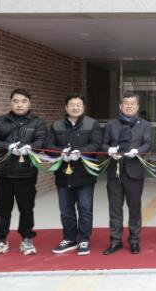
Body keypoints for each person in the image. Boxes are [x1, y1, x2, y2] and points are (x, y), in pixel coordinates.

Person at [0, 88, 46, 258]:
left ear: (29, 103)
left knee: (26, 209)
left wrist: (30, 148)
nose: (19, 104)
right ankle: (0, 240)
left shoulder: (37, 122)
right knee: (2, 209)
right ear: (11, 103)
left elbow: (42, 140)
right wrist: (7, 146)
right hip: (4, 174)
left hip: (27, 174)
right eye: (16, 101)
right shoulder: (0, 121)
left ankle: (27, 239)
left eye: (24, 101)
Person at [44, 93, 102, 256]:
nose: (75, 107)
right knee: (66, 210)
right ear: (66, 107)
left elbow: (96, 144)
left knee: (85, 209)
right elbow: (47, 145)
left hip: (85, 173)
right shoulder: (56, 125)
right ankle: (69, 238)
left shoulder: (92, 124)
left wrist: (80, 152)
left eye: (78, 105)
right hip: (63, 174)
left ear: (83, 107)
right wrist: (60, 152)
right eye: (72, 105)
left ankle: (84, 239)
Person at [101, 92, 152, 255]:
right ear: (120, 106)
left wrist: (138, 151)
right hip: (114, 172)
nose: (129, 106)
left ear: (137, 107)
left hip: (134, 171)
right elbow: (103, 144)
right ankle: (115, 241)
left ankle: (134, 240)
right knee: (115, 209)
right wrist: (109, 150)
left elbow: (148, 144)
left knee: (134, 208)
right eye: (126, 103)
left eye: (132, 104)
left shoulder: (144, 125)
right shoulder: (111, 124)